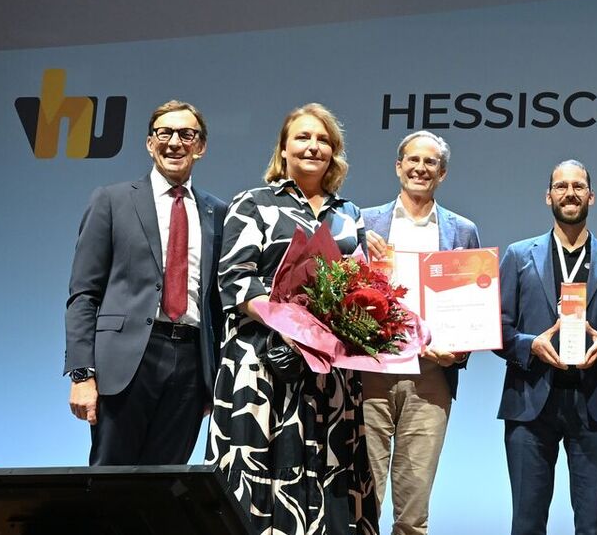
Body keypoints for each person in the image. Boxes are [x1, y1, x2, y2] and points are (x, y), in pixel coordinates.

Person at [209, 103, 377, 535]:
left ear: (334, 152)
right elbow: (236, 279)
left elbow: (358, 286)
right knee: (259, 474)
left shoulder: (349, 213)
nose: (313, 146)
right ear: (283, 149)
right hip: (263, 365)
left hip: (328, 374)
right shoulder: (253, 203)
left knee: (330, 474)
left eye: (323, 140)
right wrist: (291, 324)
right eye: (302, 137)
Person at [63, 100, 225, 465]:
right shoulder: (112, 200)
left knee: (166, 484)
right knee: (110, 481)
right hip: (126, 361)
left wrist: (212, 379)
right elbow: (84, 294)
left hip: (191, 365)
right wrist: (82, 374)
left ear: (201, 146)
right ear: (150, 143)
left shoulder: (217, 211)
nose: (174, 142)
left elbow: (217, 304)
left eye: (187, 134)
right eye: (164, 133)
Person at [358, 130, 480, 535]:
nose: (420, 168)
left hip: (430, 378)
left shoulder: (462, 230)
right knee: (362, 498)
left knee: (413, 509)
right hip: (372, 371)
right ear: (399, 166)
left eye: (431, 162)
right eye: (413, 159)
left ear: (442, 174)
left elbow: (473, 305)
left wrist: (459, 350)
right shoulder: (364, 223)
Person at [495, 160, 597, 535]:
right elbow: (497, 327)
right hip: (530, 404)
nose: (570, 193)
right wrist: (530, 345)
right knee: (527, 523)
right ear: (548, 196)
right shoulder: (519, 255)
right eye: (561, 186)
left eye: (578, 186)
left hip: (595, 403)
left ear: (591, 196)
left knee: (593, 525)